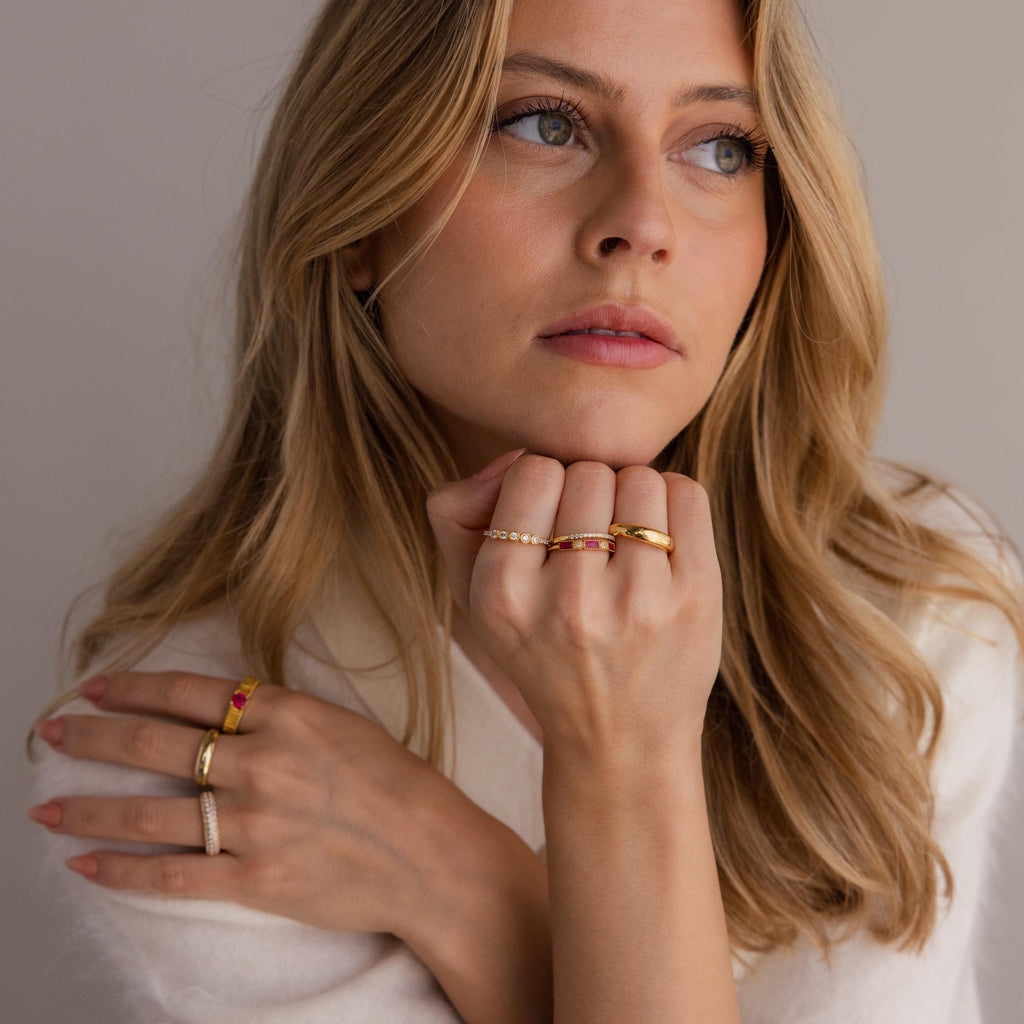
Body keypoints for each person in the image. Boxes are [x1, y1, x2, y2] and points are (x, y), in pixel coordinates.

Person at [27, 0, 1023, 1020]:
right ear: (361, 213)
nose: (641, 221)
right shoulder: (184, 753)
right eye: (543, 122)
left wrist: (461, 876)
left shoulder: (909, 603)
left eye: (720, 146)